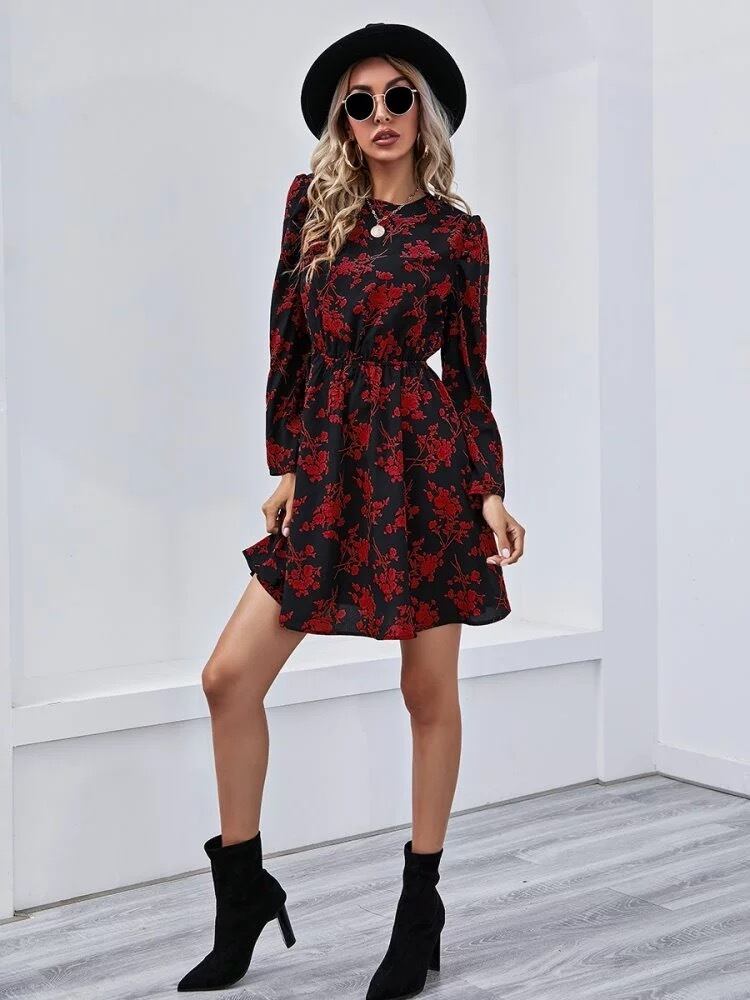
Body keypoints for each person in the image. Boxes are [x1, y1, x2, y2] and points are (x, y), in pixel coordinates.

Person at [177, 21, 525, 998]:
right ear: (343, 120)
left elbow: (470, 373)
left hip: (425, 469)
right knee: (228, 678)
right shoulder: (311, 206)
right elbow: (286, 343)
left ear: (423, 112)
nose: (380, 115)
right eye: (360, 102)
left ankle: (421, 906)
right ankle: (244, 895)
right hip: (330, 467)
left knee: (427, 692)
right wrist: (288, 464)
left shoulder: (457, 235)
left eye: (397, 96)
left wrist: (489, 487)